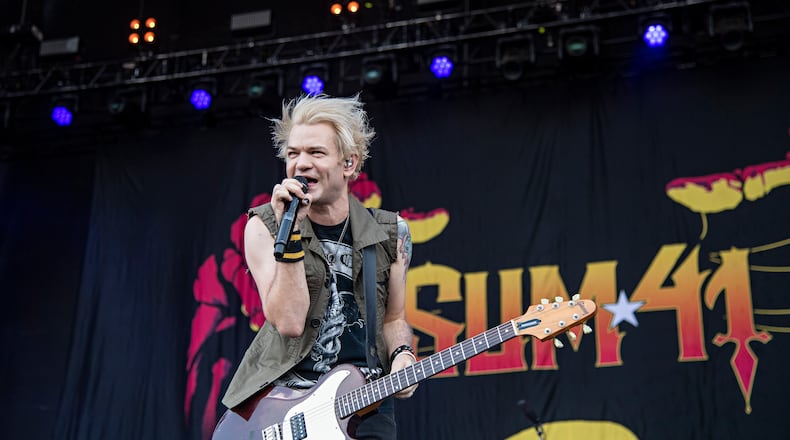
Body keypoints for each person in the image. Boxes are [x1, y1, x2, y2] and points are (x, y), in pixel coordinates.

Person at [219, 93, 417, 439]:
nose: (301, 164)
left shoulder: (390, 232)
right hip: (281, 410)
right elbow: (289, 321)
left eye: (316, 153)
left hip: (363, 407)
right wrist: (292, 232)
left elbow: (393, 318)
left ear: (349, 163)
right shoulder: (264, 226)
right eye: (293, 154)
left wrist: (402, 353)